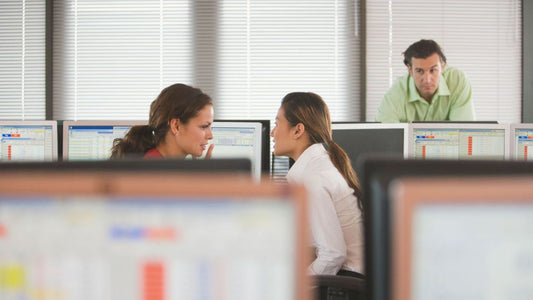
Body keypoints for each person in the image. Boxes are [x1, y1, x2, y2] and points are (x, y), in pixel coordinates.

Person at [271, 92, 364, 276]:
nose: (273, 132)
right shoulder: (316, 167)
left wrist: (296, 285)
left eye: (277, 123)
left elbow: (333, 254)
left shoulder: (313, 178)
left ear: (298, 130)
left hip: (345, 285)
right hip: (344, 279)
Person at [375, 39, 475, 123]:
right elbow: (384, 136)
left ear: (442, 66)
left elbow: (464, 134)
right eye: (419, 71)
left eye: (433, 70)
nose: (427, 80)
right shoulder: (396, 94)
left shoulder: (457, 81)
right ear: (410, 70)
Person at [111, 83, 214, 159]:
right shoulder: (154, 174)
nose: (210, 135)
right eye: (204, 126)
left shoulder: (165, 167)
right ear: (176, 126)